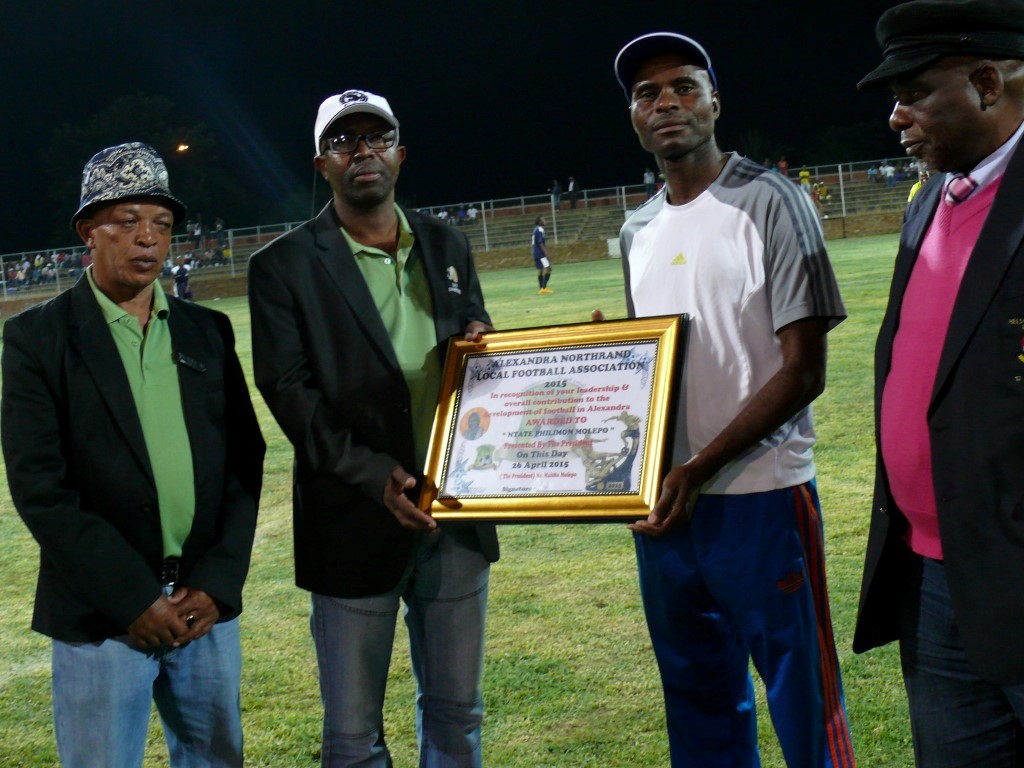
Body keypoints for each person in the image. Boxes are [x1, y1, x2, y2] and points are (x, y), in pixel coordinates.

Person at [613, 32, 855, 766]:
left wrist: (700, 466)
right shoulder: (636, 229)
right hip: (668, 504)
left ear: (715, 102)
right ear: (634, 116)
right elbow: (658, 370)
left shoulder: (773, 201)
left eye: (684, 86)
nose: (667, 103)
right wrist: (611, 366)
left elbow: (803, 371)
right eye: (648, 93)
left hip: (763, 495)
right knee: (698, 700)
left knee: (803, 696)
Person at [247, 89, 499, 768]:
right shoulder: (282, 265)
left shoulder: (446, 243)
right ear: (321, 164)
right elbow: (290, 394)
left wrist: (489, 342)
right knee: (353, 737)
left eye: (377, 137)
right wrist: (371, 474)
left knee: (458, 714)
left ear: (400, 153)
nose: (362, 151)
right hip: (352, 517)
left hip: (456, 512)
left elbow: (474, 342)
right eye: (343, 140)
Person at [0, 142, 265, 767]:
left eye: (162, 224)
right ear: (87, 231)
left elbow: (244, 463)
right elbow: (41, 489)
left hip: (202, 610)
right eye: (127, 221)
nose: (148, 238)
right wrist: (132, 599)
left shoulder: (207, 331)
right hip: (103, 616)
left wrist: (217, 583)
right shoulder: (37, 338)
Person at [853, 2, 1024, 764]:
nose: (896, 116)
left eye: (915, 92)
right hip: (928, 572)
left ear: (987, 84)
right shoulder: (929, 200)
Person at [532, 214, 552, 294]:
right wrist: (546, 253)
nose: (545, 221)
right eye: (543, 220)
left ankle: (541, 289)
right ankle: (543, 288)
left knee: (540, 270)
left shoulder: (535, 229)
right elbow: (540, 243)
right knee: (548, 268)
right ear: (540, 222)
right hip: (540, 253)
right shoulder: (540, 230)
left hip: (535, 252)